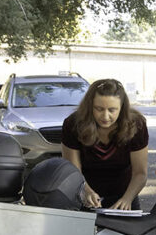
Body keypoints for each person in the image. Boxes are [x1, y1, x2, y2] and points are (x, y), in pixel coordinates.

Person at [61, 79, 148, 210]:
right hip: (83, 194)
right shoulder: (73, 124)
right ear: (90, 106)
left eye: (112, 110)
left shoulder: (136, 125)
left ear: (122, 107)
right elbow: (74, 170)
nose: (105, 116)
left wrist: (127, 199)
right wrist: (86, 190)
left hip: (125, 194)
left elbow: (140, 173)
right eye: (99, 109)